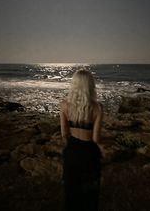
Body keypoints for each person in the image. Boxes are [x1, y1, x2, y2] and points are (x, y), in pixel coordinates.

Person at [60, 69, 103, 211]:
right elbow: (96, 139)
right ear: (90, 85)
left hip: (72, 153)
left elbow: (64, 133)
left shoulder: (64, 105)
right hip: (90, 154)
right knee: (89, 197)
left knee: (71, 196)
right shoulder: (97, 108)